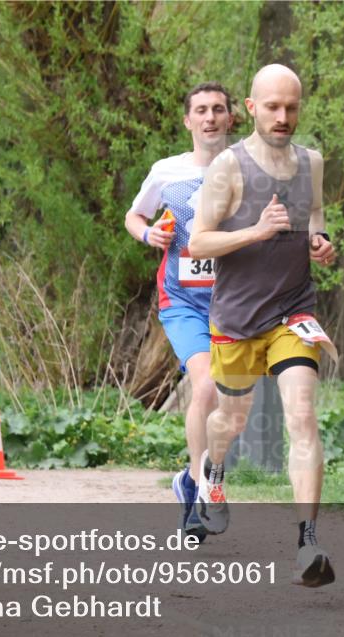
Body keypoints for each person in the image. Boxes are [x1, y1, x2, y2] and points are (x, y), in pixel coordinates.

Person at [188, 64, 338, 587]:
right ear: (250, 108)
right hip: (237, 317)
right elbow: (198, 242)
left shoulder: (312, 163)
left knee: (301, 413)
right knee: (229, 421)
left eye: (292, 107)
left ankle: (308, 542)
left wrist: (319, 243)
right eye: (272, 107)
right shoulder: (228, 167)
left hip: (293, 311)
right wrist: (254, 231)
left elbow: (314, 214)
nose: (283, 117)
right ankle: (215, 473)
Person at [125, 82, 234, 542]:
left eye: (218, 110)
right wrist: (149, 235)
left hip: (234, 302)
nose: (210, 118)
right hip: (182, 300)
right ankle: (200, 495)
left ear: (232, 118)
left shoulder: (248, 169)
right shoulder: (167, 172)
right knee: (204, 385)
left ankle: (189, 481)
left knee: (231, 402)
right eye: (201, 111)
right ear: (188, 121)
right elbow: (134, 216)